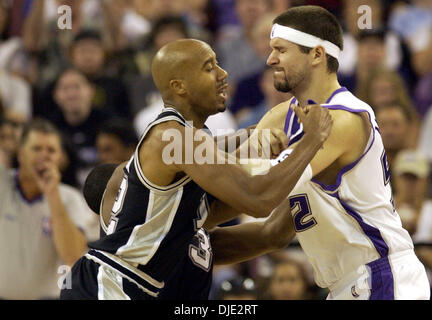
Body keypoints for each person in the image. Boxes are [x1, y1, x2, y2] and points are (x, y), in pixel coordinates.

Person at [60, 38, 333, 300]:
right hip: (108, 284)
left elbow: (270, 231)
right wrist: (313, 141)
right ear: (180, 86)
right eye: (209, 67)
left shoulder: (187, 146)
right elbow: (258, 199)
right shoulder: (172, 135)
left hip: (133, 286)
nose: (223, 74)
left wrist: (259, 140)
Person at [255, 5, 430, 300]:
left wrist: (190, 157)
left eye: (281, 50)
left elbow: (260, 190)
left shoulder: (343, 119)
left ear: (316, 55)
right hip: (345, 285)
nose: (270, 58)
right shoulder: (277, 118)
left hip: (381, 276)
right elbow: (269, 228)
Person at [0, 119, 96, 299]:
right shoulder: (2, 184)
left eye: (51, 150)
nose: (44, 155)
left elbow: (74, 256)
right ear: (20, 153)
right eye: (36, 148)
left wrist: (52, 194)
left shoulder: (70, 198)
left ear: (60, 158)